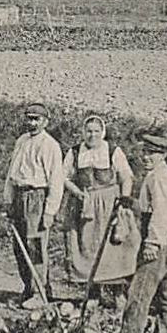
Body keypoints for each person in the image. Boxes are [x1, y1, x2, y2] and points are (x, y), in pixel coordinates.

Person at [117, 131, 167, 333]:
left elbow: (162, 213)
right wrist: (133, 203)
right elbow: (151, 208)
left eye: (152, 153)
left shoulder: (160, 178)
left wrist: (152, 243)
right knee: (166, 294)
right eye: (144, 152)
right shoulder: (160, 175)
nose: (146, 157)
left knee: (140, 291)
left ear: (163, 155)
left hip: (161, 237)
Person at [62, 115, 136, 286]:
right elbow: (63, 177)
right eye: (88, 131)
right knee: (88, 247)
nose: (92, 135)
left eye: (96, 131)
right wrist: (78, 193)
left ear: (102, 132)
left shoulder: (112, 151)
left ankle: (118, 293)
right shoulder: (75, 152)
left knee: (113, 248)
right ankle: (92, 292)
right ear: (83, 132)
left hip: (110, 205)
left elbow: (126, 177)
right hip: (85, 205)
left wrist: (123, 203)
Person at [2, 102, 65, 301]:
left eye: (36, 119)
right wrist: (9, 200)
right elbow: (12, 172)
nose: (32, 123)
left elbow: (56, 180)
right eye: (29, 118)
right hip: (19, 196)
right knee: (19, 246)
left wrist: (49, 212)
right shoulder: (22, 140)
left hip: (36, 197)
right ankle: (28, 289)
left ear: (45, 122)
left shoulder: (50, 145)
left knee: (35, 246)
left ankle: (40, 292)